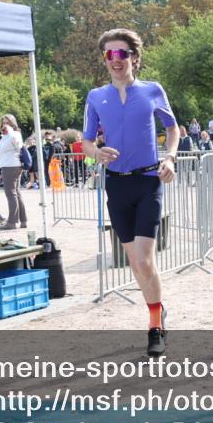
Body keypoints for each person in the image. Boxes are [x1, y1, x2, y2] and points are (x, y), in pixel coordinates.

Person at [82, 28, 179, 357]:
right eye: (109, 55)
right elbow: (85, 141)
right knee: (135, 265)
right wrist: (96, 153)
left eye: (121, 53)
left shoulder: (152, 91)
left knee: (143, 260)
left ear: (134, 57)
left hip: (148, 180)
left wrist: (170, 157)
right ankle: (158, 311)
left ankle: (155, 323)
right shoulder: (96, 97)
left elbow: (172, 128)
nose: (115, 60)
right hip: (116, 184)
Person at [0, 114, 28, 230]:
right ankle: (23, 220)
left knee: (11, 194)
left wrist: (10, 131)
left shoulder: (14, 134)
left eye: (7, 122)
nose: (5, 125)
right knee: (16, 193)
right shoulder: (4, 136)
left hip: (11, 165)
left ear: (12, 123)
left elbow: (19, 146)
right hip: (9, 165)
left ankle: (12, 222)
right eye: (3, 123)